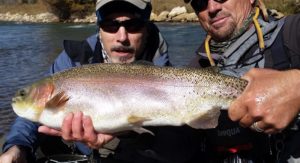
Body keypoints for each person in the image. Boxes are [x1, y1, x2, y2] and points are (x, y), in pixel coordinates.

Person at [0, 0, 202, 163]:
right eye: (111, 25)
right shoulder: (73, 60)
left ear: (147, 29)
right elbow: (31, 117)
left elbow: (181, 150)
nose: (122, 37)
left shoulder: (171, 78)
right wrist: (17, 147)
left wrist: (126, 137)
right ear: (99, 29)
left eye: (132, 25)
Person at [184, 0, 300, 162]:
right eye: (200, 2)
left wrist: (296, 85)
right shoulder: (193, 72)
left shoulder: (293, 32)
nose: (212, 8)